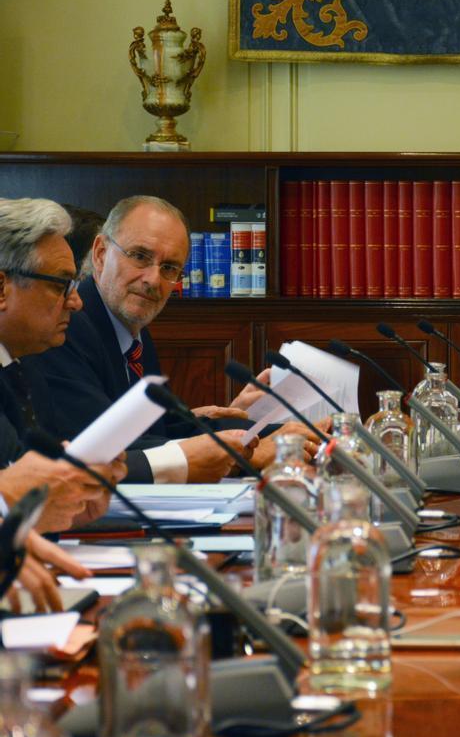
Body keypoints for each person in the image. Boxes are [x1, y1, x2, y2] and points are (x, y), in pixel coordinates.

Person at [28, 196, 311, 484]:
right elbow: (102, 450)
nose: (153, 279)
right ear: (100, 253)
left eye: (169, 268)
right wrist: (248, 450)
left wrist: (289, 434)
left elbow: (170, 426)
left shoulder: (132, 328)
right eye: (140, 256)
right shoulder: (65, 327)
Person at [0, 197, 130, 610]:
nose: (75, 301)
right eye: (60, 285)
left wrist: (69, 503)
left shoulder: (26, 366)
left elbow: (22, 473)